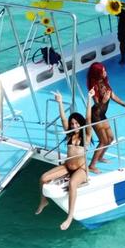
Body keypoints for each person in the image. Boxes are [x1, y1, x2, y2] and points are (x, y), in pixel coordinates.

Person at [35, 89, 94, 230]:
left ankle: (69, 217)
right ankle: (44, 201)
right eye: (72, 123)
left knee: (72, 184)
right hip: (68, 167)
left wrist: (89, 99)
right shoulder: (69, 135)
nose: (74, 126)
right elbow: (63, 119)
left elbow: (89, 119)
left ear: (81, 124)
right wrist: (60, 102)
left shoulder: (86, 137)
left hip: (81, 170)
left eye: (77, 123)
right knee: (43, 178)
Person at [87, 62, 125, 173]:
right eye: (102, 71)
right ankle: (92, 165)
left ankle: (100, 157)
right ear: (97, 73)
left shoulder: (104, 82)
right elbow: (98, 106)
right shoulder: (93, 88)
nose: (105, 72)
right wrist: (103, 101)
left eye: (104, 70)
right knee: (103, 141)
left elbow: (113, 96)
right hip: (96, 115)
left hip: (102, 115)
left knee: (111, 138)